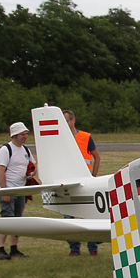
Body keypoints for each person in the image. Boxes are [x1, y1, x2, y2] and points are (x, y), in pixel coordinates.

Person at [0, 122, 35, 260]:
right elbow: (0, 172)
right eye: (23, 134)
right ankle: (0, 249)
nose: (25, 136)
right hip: (9, 190)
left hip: (21, 191)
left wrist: (31, 174)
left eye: (26, 134)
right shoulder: (5, 150)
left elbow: (32, 165)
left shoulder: (25, 150)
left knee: (17, 220)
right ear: (15, 135)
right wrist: (4, 191)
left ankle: (14, 248)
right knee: (7, 219)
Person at [63, 109, 99, 256]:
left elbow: (96, 157)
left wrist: (94, 177)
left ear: (73, 121)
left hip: (85, 182)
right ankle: (74, 248)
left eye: (65, 121)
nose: (64, 125)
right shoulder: (60, 139)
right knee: (68, 217)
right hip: (67, 183)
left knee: (89, 216)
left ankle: (92, 248)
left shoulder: (85, 137)